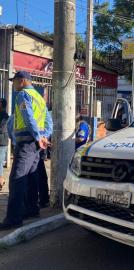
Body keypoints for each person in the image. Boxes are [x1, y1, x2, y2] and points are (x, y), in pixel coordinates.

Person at [0, 71, 49, 230]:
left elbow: (28, 116)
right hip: (35, 145)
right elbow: (49, 121)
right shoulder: (40, 98)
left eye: (14, 81)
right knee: (31, 177)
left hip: (27, 143)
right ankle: (32, 209)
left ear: (22, 81)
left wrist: (37, 136)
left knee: (17, 179)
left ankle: (14, 218)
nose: (13, 84)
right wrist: (43, 136)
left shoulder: (23, 95)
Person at [0, 99, 9, 191]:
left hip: (2, 142)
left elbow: (2, 129)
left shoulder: (5, 116)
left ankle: (1, 181)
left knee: (0, 162)